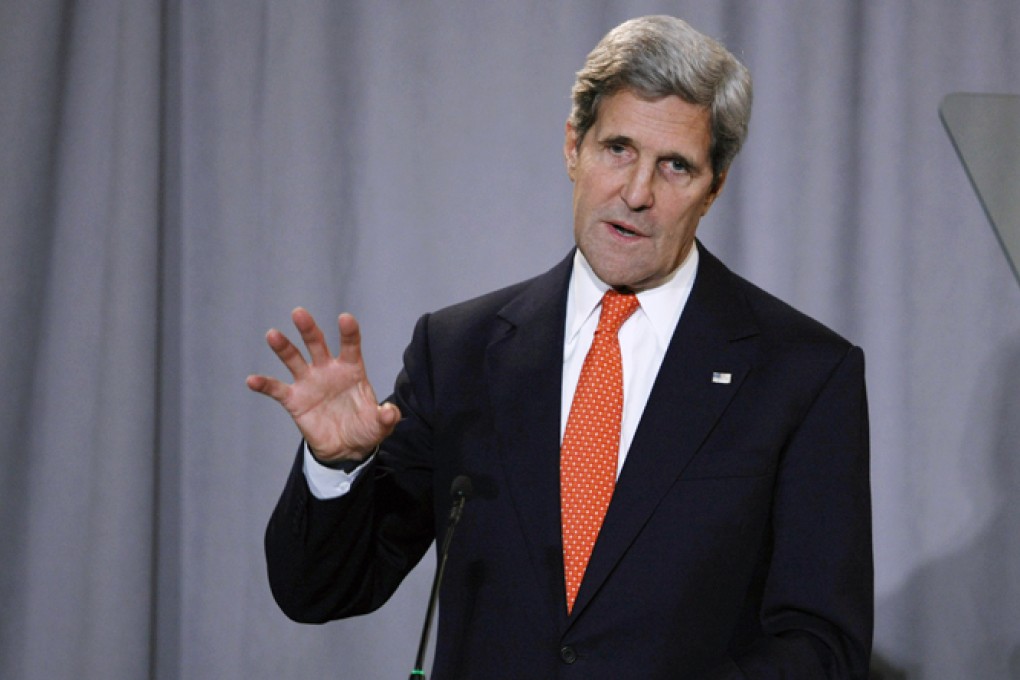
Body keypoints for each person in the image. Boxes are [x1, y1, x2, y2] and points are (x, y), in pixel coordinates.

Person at [248, 15, 872, 679]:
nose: (637, 193)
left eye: (676, 167)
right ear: (573, 146)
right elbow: (321, 591)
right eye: (618, 149)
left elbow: (823, 646)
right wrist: (335, 468)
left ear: (714, 187)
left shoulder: (801, 373)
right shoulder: (459, 350)